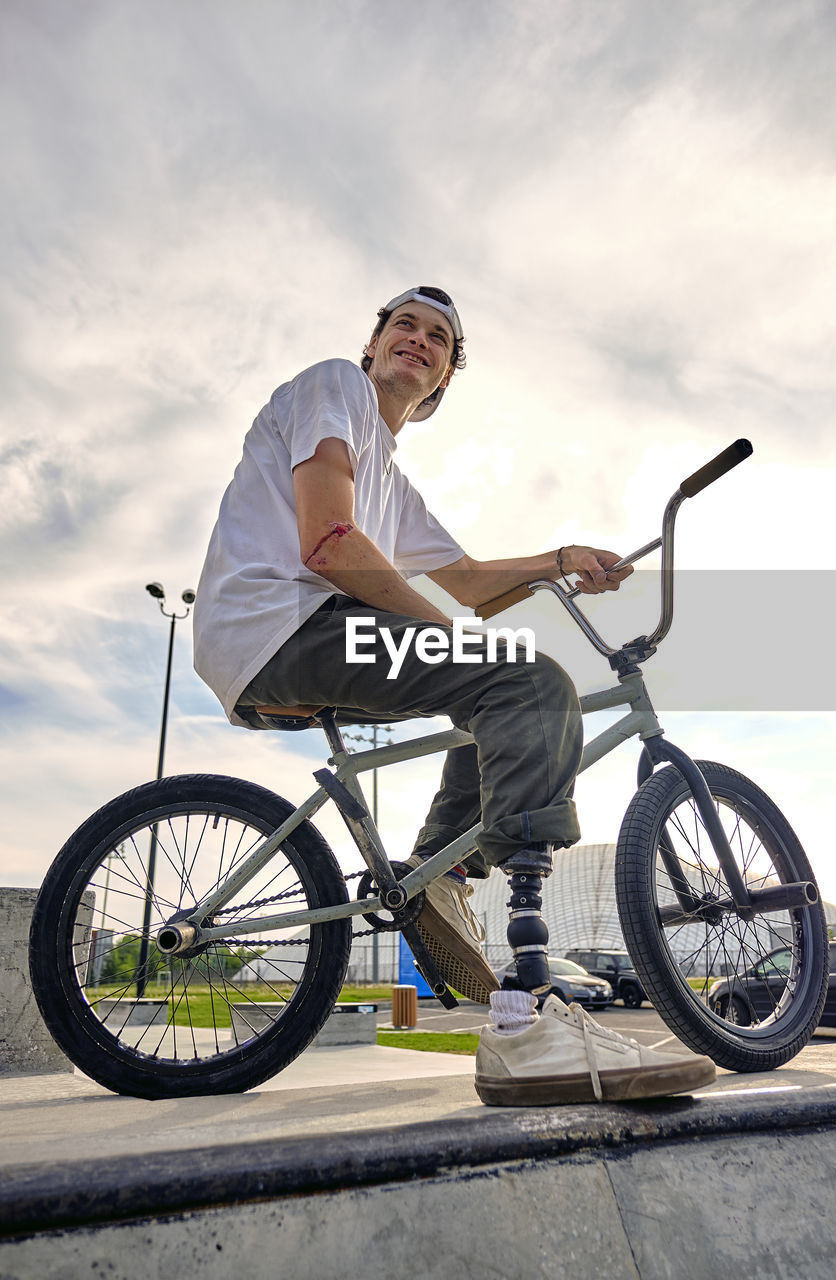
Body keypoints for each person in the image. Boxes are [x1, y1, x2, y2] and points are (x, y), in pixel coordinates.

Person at [193, 286, 716, 1105]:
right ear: (371, 347)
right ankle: (523, 1017)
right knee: (525, 681)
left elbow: (470, 579)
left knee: (498, 695)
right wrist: (462, 639)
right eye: (403, 324)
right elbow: (329, 543)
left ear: (440, 384)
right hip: (285, 626)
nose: (418, 339)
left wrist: (561, 558)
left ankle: (439, 873)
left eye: (438, 337)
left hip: (286, 637)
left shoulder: (391, 485)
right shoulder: (336, 388)